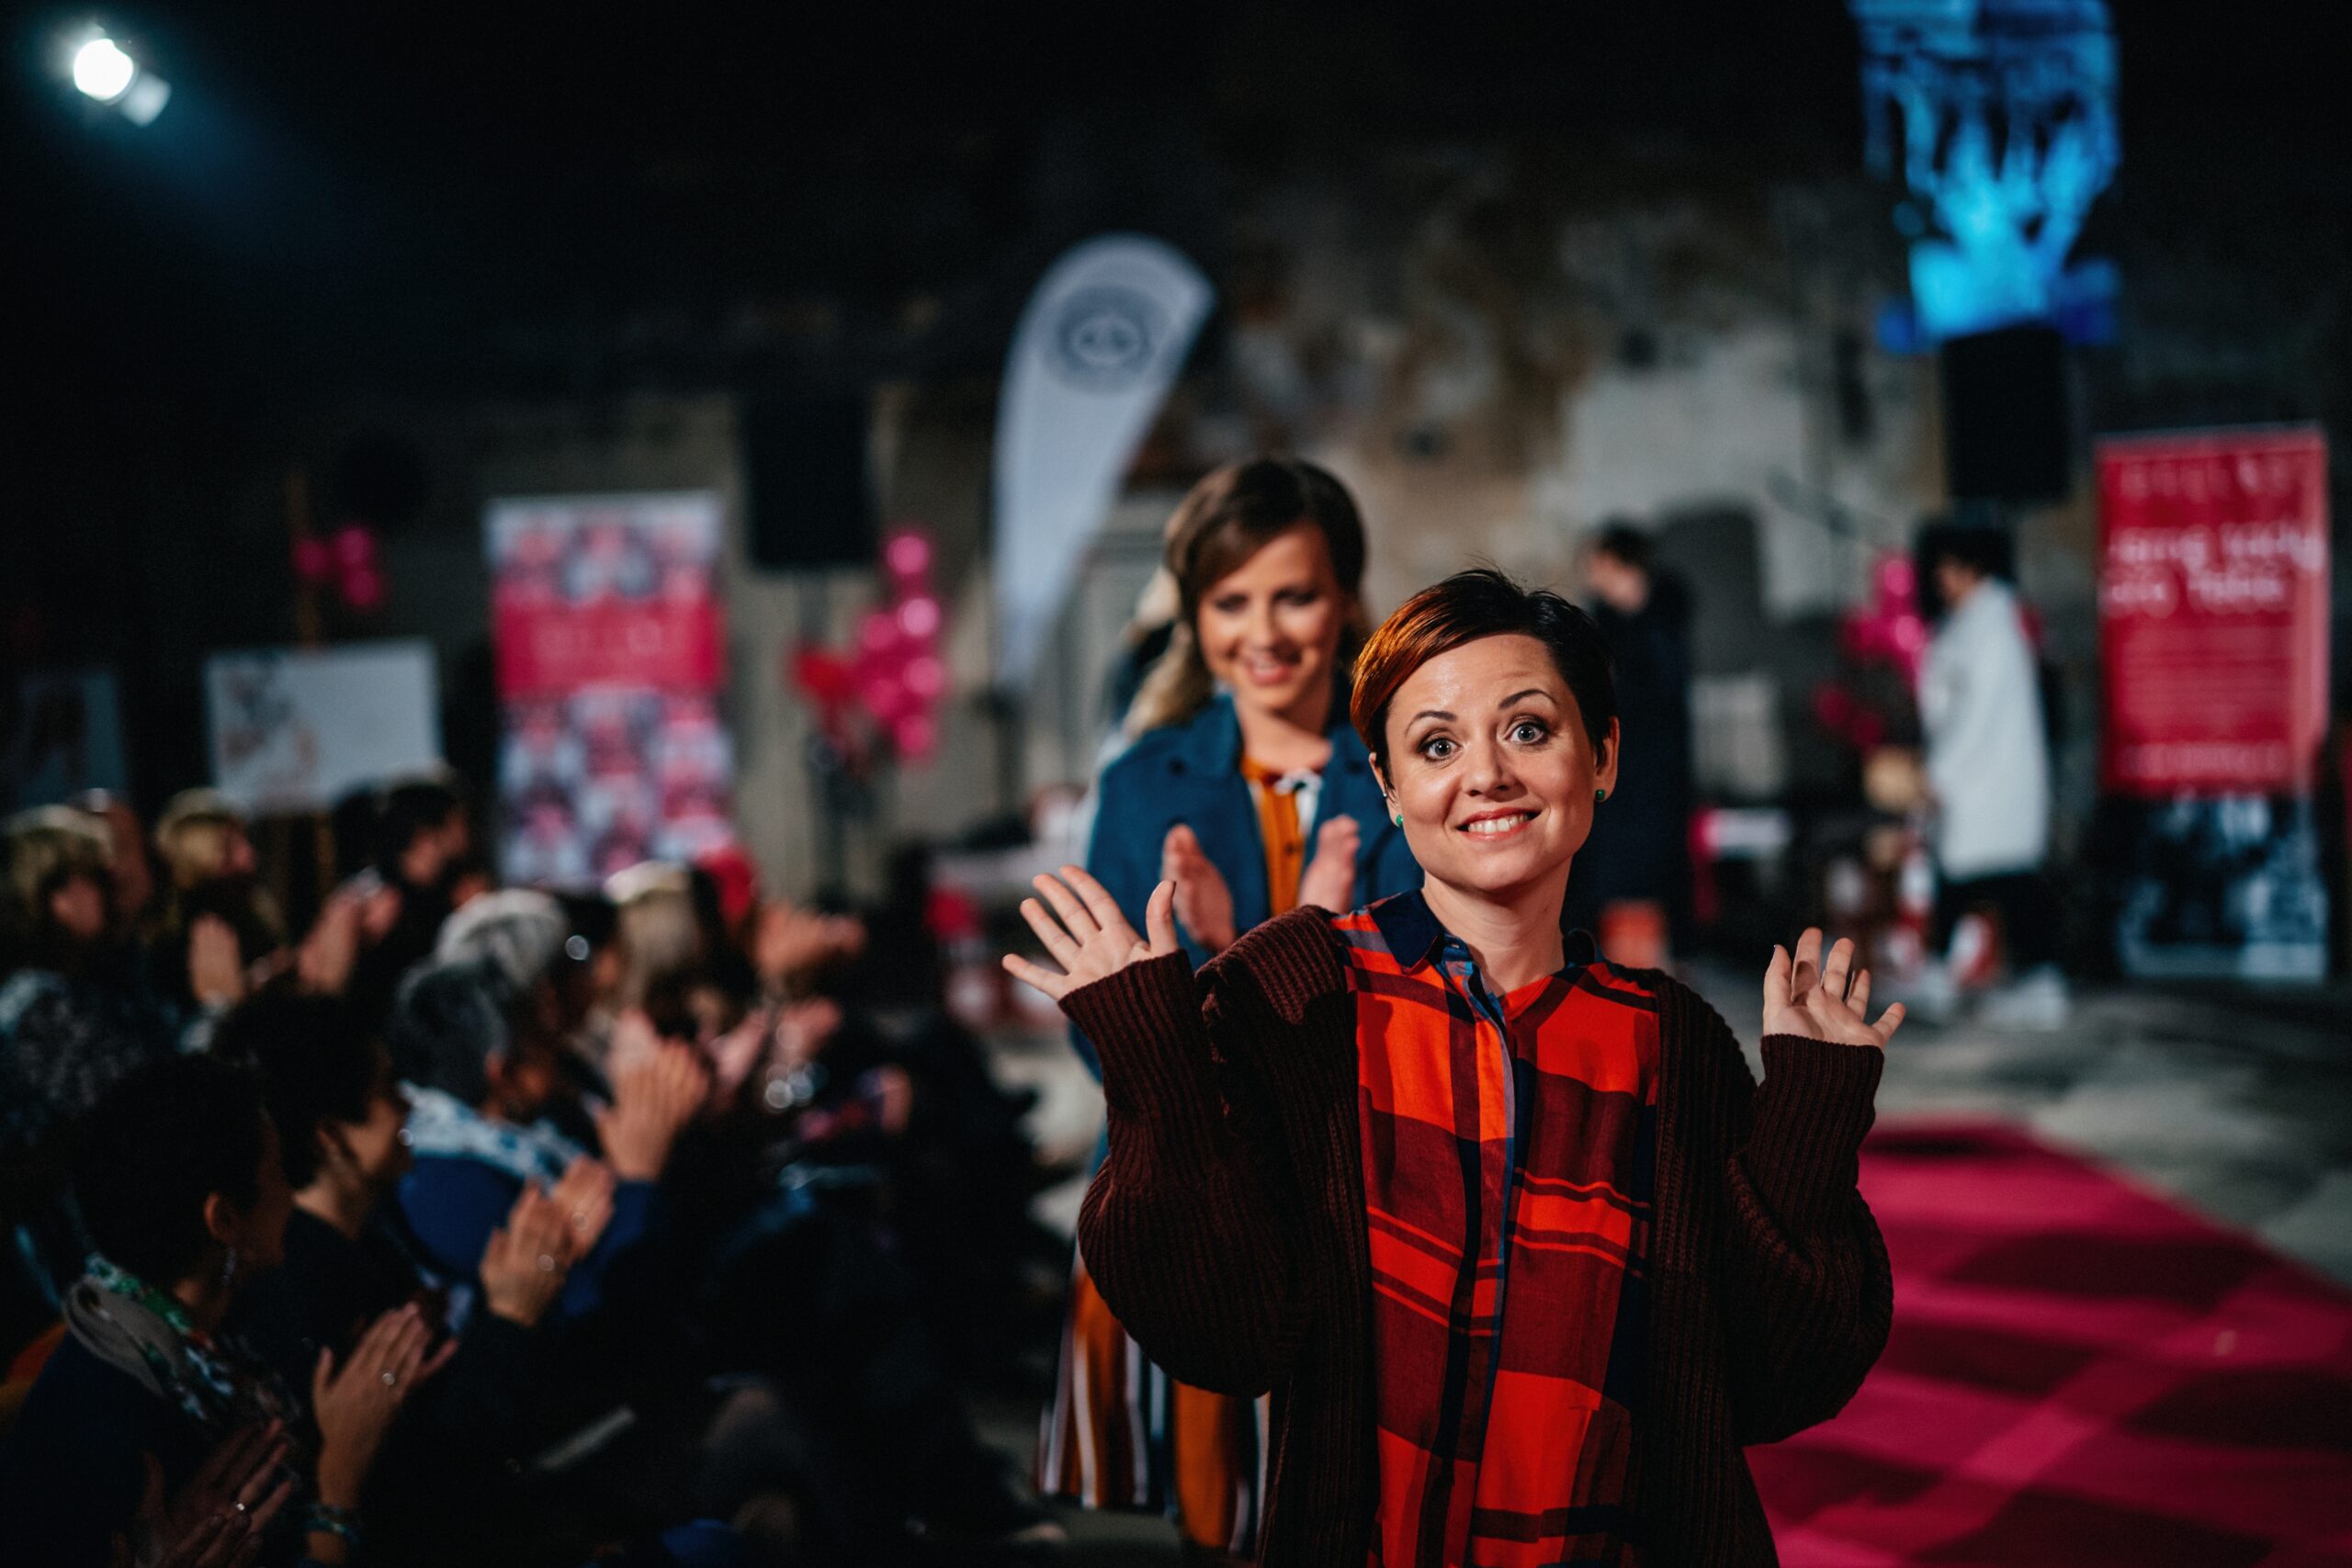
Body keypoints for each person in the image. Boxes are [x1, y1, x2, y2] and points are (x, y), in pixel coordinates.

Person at [1008, 569, 1900, 1566]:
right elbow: (1227, 1334)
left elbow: (1775, 1380)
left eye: (1528, 729)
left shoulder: (1671, 1042)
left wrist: (1810, 1124)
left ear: (1603, 755)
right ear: (1388, 787)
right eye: (1436, 745)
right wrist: (1155, 1060)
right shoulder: (1299, 992)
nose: (1487, 775)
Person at [1043, 456, 1421, 1562]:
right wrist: (1270, 944)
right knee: (1224, 1520)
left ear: (1345, 596)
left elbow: (1440, 997)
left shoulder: (1406, 760)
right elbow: (1106, 1032)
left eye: (1293, 595)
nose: (1263, 633)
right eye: (1229, 602)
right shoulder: (1144, 782)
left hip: (1374, 1186)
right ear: (1194, 614)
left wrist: (1242, 957)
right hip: (1200, 1187)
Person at [0, 1053, 441, 1565]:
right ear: (225, 1220)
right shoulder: (115, 1437)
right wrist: (340, 1480)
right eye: (278, 1173)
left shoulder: (205, 1328)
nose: (292, 1193)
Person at [1917, 524, 2062, 1010]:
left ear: (1969, 570)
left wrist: (1941, 774)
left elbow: (1976, 714)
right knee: (1972, 878)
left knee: (2002, 878)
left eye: (1948, 568)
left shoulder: (1992, 629)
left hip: (1989, 779)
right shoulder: (1972, 624)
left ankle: (2038, 980)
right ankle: (1942, 971)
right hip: (1978, 780)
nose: (1940, 579)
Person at [1573, 520, 1696, 955]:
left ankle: (1665, 959)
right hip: (1613, 755)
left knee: (1658, 859)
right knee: (1610, 863)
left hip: (1657, 758)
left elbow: (1663, 687)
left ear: (1613, 560)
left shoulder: (1665, 612)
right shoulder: (1598, 621)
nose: (1588, 572)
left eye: (1595, 561)